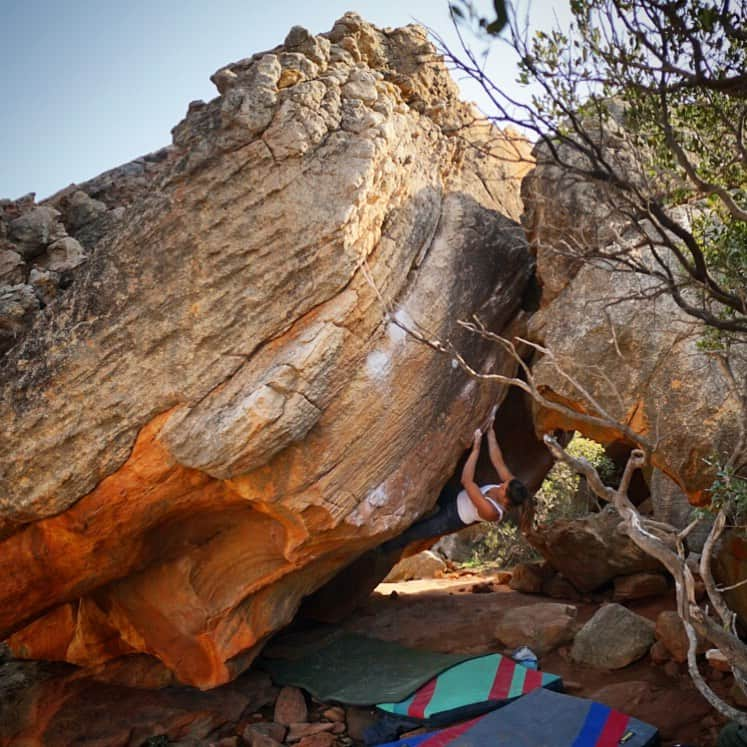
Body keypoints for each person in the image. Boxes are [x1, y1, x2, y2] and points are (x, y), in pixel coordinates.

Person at [381, 408, 529, 552]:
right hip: (456, 495)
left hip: (452, 517)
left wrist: (476, 449)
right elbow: (498, 461)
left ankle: (381, 549)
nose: (502, 484)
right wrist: (491, 432)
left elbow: (467, 481)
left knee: (416, 532)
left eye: (503, 488)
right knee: (427, 488)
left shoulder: (492, 512)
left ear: (505, 499)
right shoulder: (512, 485)